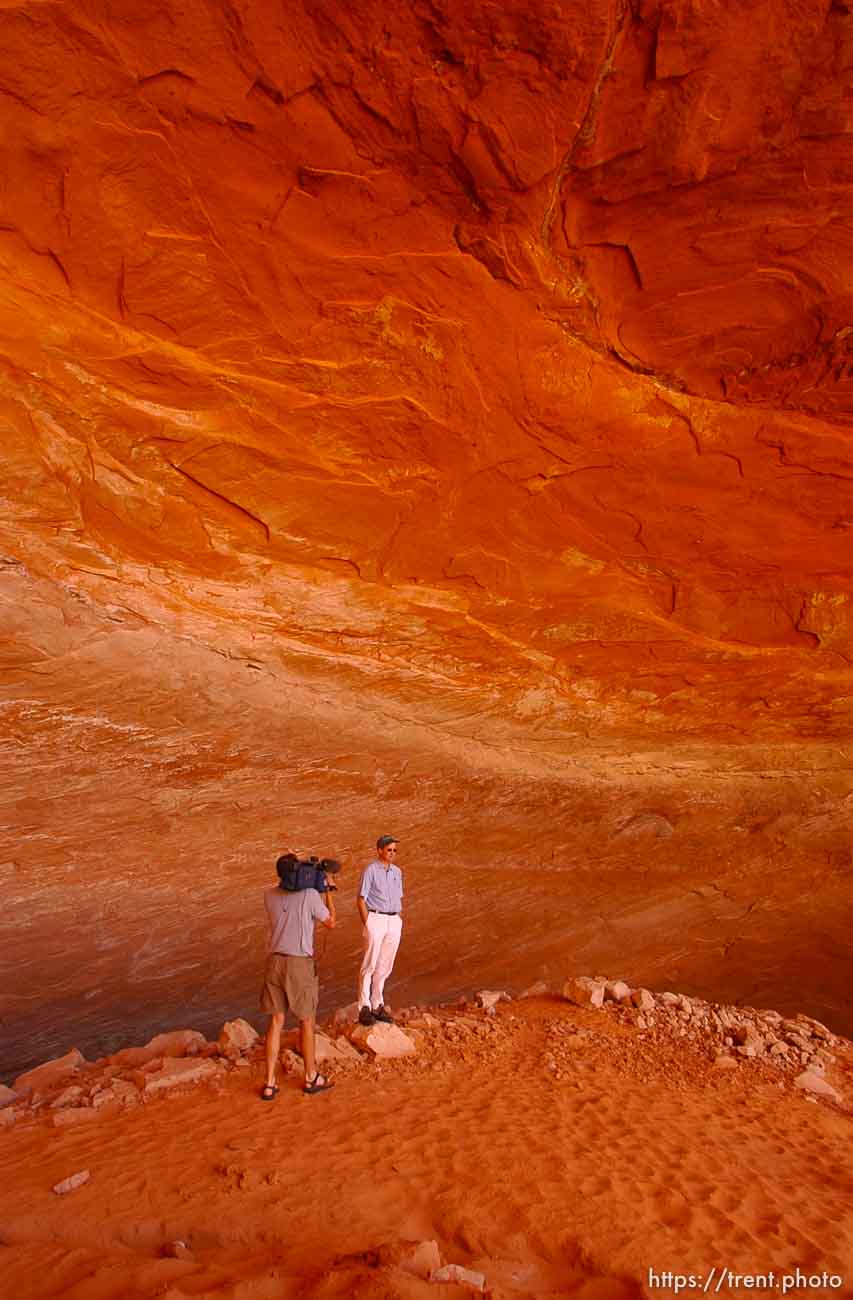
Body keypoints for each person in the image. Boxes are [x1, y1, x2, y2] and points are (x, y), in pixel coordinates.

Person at [259, 855, 336, 1099]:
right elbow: (331, 922)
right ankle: (311, 1077)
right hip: (298, 964)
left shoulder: (268, 895)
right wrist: (327, 890)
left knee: (275, 1022)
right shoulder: (310, 896)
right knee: (306, 1021)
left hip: (274, 962)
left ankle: (270, 1082)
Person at [357, 834, 403, 1026]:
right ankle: (364, 1006)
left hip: (393, 919)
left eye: (394, 850)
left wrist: (398, 918)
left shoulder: (397, 872)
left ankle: (378, 1004)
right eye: (388, 850)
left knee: (385, 965)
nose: (392, 853)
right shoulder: (370, 870)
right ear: (379, 850)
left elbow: (400, 897)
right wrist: (368, 923)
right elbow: (361, 899)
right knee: (370, 963)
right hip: (376, 917)